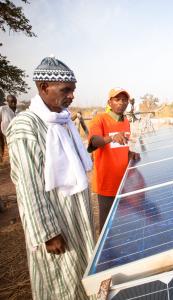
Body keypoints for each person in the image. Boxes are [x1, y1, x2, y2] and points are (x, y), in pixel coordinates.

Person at [6, 56, 95, 300]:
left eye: (73, 90)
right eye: (66, 90)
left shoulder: (62, 120)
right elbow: (28, 186)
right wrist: (47, 232)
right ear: (44, 88)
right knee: (60, 284)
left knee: (82, 276)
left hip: (76, 216)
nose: (72, 96)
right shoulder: (27, 126)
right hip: (56, 223)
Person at [88, 88, 140, 231]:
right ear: (109, 102)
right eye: (117, 99)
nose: (121, 103)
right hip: (106, 181)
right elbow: (94, 142)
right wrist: (111, 137)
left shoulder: (125, 122)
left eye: (124, 100)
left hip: (123, 180)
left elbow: (121, 146)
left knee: (121, 221)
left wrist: (130, 153)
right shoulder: (100, 119)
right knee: (107, 224)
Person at [0, 94, 17, 162]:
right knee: (2, 148)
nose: (13, 103)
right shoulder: (3, 109)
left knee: (13, 150)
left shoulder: (18, 111)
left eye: (15, 101)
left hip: (14, 134)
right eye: (11, 101)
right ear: (7, 102)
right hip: (3, 132)